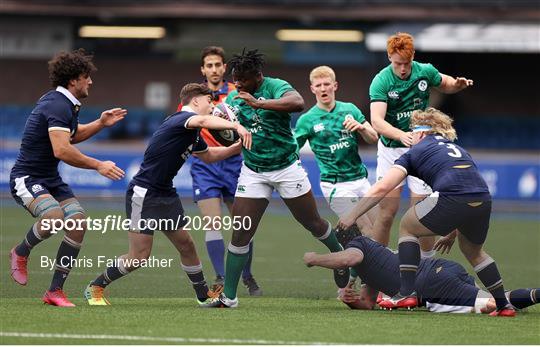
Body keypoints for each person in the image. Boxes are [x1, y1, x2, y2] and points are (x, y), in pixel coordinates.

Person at [202, 49, 349, 308]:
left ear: (258, 76)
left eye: (243, 80)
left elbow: (297, 102)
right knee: (240, 233)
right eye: (235, 79)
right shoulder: (234, 99)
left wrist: (259, 103)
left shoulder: (276, 86)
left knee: (312, 223)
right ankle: (230, 297)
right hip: (254, 171)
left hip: (286, 167)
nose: (237, 84)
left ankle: (340, 256)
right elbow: (223, 126)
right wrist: (219, 122)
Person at [337, 107, 516, 317]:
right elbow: (468, 188)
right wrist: (452, 231)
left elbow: (383, 188)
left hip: (453, 196)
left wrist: (353, 214)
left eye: (412, 132)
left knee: (407, 225)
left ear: (421, 133)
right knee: (475, 253)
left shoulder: (415, 152)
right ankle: (504, 306)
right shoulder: (457, 149)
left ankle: (406, 292)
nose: (410, 137)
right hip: (482, 198)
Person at [84, 83, 251, 306]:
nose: (213, 106)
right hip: (144, 193)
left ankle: (203, 296)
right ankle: (96, 286)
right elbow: (202, 121)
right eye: (209, 101)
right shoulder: (181, 120)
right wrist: (236, 126)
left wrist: (236, 147)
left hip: (165, 192)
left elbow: (209, 155)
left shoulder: (192, 131)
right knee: (139, 257)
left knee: (187, 245)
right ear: (195, 101)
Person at [8, 49, 127, 307]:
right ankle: (20, 252)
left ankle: (55, 291)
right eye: (87, 77)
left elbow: (71, 136)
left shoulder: (65, 104)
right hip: (27, 178)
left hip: (49, 178)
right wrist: (98, 165)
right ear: (74, 80)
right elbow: (61, 149)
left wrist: (101, 123)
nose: (91, 82)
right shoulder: (57, 104)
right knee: (53, 217)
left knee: (78, 222)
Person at [369, 32, 473, 257]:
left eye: (406, 63)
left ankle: (427, 267)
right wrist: (401, 136)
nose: (403, 68)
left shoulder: (424, 70)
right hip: (391, 148)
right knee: (387, 212)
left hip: (421, 148)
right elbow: (376, 120)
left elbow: (446, 84)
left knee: (423, 212)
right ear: (389, 57)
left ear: (413, 56)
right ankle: (378, 265)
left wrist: (458, 84)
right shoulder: (381, 80)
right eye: (398, 63)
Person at [304, 234, 539, 315]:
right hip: (441, 269)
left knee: (491, 304)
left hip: (430, 283)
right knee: (496, 299)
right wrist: (352, 302)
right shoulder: (372, 261)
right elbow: (367, 303)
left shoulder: (359, 246)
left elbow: (348, 258)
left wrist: (315, 259)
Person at [187, 46, 261, 295]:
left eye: (218, 64)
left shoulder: (236, 93)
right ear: (203, 69)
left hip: (235, 163)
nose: (214, 69)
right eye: (209, 65)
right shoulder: (194, 98)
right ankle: (220, 276)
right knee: (213, 225)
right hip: (205, 164)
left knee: (243, 224)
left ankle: (247, 276)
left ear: (224, 67)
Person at [295, 65, 378, 234]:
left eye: (326, 84)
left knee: (379, 228)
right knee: (366, 229)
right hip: (336, 185)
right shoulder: (307, 120)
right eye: (318, 86)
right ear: (312, 89)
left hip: (361, 180)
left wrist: (361, 128)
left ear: (335, 86)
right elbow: (292, 149)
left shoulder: (350, 109)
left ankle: (353, 250)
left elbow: (373, 137)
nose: (323, 89)